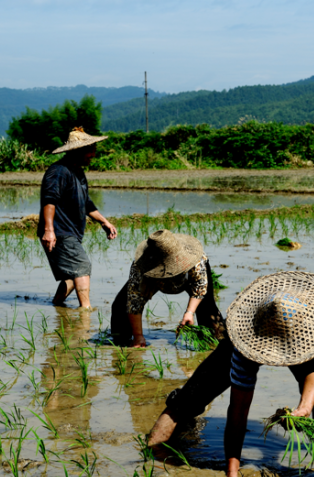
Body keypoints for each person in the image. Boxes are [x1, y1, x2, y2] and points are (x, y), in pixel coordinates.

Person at [222, 271, 314, 477]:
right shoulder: (246, 341)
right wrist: (231, 475)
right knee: (238, 404)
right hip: (260, 334)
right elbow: (238, 409)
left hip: (308, 339)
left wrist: (305, 407)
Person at [38, 127, 117, 308]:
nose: (93, 154)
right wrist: (49, 231)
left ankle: (58, 307)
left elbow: (87, 204)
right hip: (59, 231)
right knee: (82, 267)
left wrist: (104, 222)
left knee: (72, 276)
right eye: (90, 150)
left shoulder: (78, 172)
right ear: (77, 151)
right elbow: (49, 200)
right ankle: (85, 312)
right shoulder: (58, 171)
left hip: (70, 232)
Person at [110, 229, 226, 347]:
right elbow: (134, 302)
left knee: (208, 308)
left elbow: (200, 287)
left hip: (188, 279)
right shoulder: (140, 266)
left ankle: (216, 342)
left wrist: (189, 312)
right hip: (152, 278)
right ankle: (122, 342)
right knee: (120, 305)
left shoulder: (195, 260)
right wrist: (138, 335)